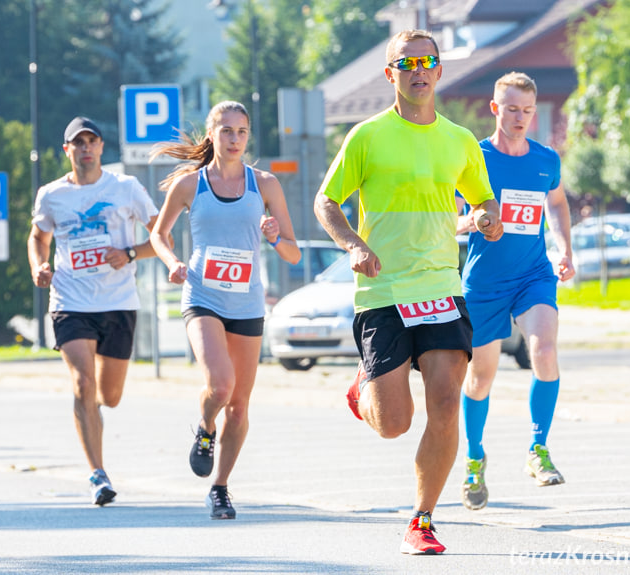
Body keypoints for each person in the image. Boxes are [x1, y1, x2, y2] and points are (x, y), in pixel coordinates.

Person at [314, 29, 503, 555]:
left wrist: (487, 216)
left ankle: (421, 520)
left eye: (427, 61)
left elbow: (484, 199)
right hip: (383, 293)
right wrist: (352, 244)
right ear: (390, 73)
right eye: (407, 62)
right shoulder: (367, 136)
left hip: (442, 288)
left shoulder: (461, 140)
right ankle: (364, 389)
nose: (418, 70)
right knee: (395, 424)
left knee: (446, 404)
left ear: (439, 71)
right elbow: (326, 202)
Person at [149, 101, 301, 520]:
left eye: (242, 132)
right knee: (220, 386)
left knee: (240, 405)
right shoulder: (190, 186)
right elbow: (159, 235)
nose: (235, 139)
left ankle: (220, 487)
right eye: (227, 131)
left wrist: (274, 237)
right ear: (212, 135)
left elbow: (291, 253)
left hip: (247, 302)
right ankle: (204, 429)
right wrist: (172, 263)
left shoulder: (265, 184)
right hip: (203, 298)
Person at [27, 116, 163, 506]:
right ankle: (98, 474)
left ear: (102, 147)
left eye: (92, 141)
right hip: (70, 301)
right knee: (83, 385)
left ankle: (91, 414)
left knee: (110, 395)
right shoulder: (51, 194)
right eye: (78, 142)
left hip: (118, 302)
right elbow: (39, 235)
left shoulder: (126, 188)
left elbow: (161, 234)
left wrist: (131, 253)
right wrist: (39, 264)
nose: (86, 147)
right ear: (67, 150)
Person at [456, 72, 575, 511]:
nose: (520, 117)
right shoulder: (473, 158)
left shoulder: (546, 160)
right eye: (511, 108)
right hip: (484, 283)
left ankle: (537, 449)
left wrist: (564, 248)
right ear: (495, 109)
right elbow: (445, 219)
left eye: (527, 110)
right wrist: (473, 221)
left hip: (533, 275)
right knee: (481, 377)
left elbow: (557, 202)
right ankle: (474, 456)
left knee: (544, 351)